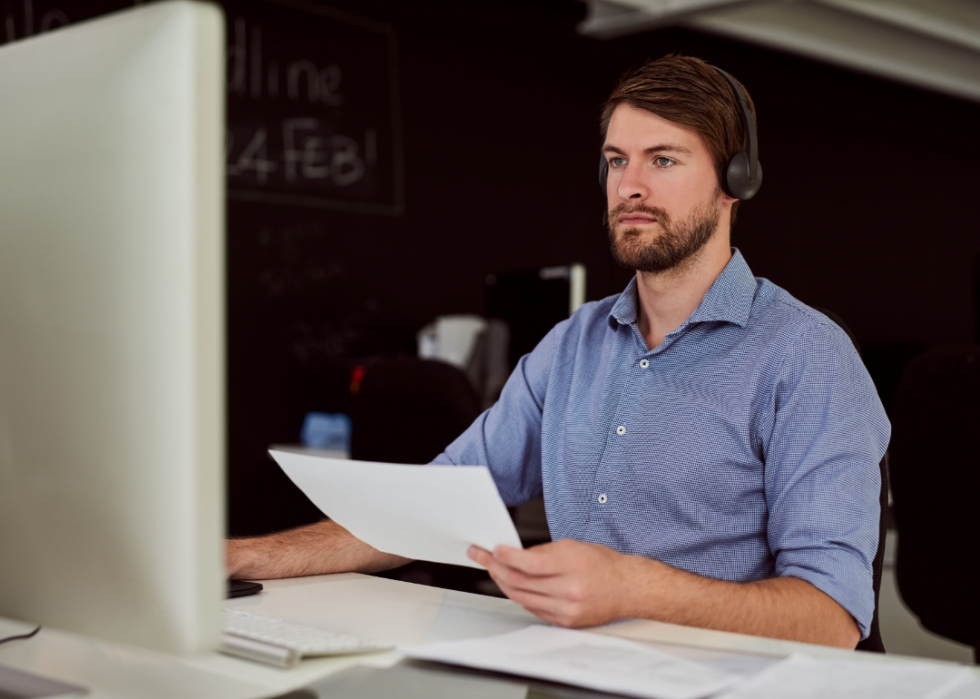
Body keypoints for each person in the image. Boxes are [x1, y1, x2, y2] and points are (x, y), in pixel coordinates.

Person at [227, 55, 889, 650]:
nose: (630, 186)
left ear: (733, 181)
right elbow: (422, 508)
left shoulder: (806, 356)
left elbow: (831, 616)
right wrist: (241, 557)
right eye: (616, 159)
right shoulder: (574, 343)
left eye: (662, 159)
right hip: (577, 669)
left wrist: (635, 588)